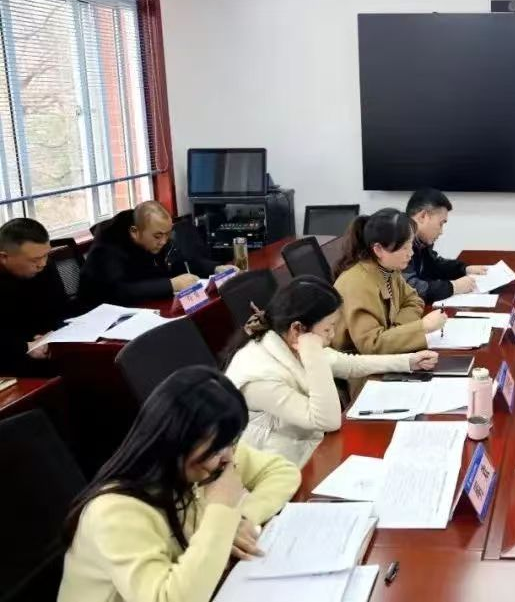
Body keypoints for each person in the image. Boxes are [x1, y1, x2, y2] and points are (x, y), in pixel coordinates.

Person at [59, 366, 300, 602]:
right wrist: (221, 510)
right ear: (178, 441)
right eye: (218, 447)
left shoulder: (204, 461)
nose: (228, 456)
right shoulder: (115, 512)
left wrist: (242, 519)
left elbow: (281, 472)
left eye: (232, 442)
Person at [223, 275, 439, 466]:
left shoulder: (288, 341)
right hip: (279, 471)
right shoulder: (259, 375)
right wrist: (312, 352)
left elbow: (350, 364)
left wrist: (408, 362)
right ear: (297, 328)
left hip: (310, 452)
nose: (333, 335)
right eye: (327, 329)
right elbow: (327, 420)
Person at [333, 208, 447, 355]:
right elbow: (372, 345)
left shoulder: (388, 269)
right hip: (354, 362)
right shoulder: (357, 284)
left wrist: (397, 330)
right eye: (404, 248)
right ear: (378, 249)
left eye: (410, 245)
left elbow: (413, 300)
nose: (411, 253)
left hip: (384, 356)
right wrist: (422, 327)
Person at [79, 201, 233, 306]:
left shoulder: (157, 237)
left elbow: (180, 262)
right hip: (102, 318)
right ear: (135, 232)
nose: (164, 241)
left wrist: (215, 268)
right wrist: (171, 285)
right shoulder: (107, 248)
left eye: (168, 234)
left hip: (148, 306)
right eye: (158, 236)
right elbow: (119, 291)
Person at [0, 218, 71, 377]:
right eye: (35, 259)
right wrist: (25, 346)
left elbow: (60, 307)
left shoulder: (45, 267)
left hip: (46, 343)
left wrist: (51, 333)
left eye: (46, 255)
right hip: (11, 353)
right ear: (4, 257)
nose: (43, 263)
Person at [404, 188, 490, 303]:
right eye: (440, 224)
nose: (441, 232)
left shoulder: (420, 241)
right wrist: (454, 287)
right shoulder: (398, 240)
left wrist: (464, 269)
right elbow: (410, 288)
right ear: (423, 216)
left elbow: (435, 266)